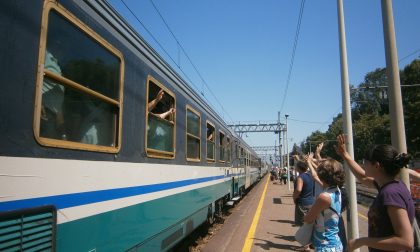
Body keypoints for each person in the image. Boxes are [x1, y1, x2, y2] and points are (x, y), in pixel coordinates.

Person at [335, 134, 414, 252]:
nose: (363, 164)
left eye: (365, 162)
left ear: (376, 165)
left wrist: (360, 241)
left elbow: (405, 242)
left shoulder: (390, 193)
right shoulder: (391, 185)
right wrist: (345, 155)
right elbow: (363, 177)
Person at [303, 158, 345, 252]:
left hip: (326, 246)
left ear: (322, 175)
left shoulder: (324, 197)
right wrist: (309, 162)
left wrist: (306, 215)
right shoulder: (336, 190)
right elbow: (314, 176)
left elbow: (308, 219)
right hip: (334, 243)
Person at [293, 160, 315, 251]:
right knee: (311, 224)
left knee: (303, 225)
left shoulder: (300, 177)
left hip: (302, 203)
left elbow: (298, 190)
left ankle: (306, 247)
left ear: (298, 168)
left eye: (296, 166)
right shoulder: (311, 175)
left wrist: (294, 197)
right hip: (312, 203)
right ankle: (312, 243)